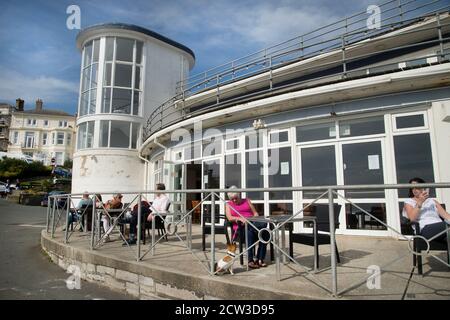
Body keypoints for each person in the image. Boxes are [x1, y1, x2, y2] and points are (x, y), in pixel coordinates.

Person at [225, 186, 269, 269]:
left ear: (239, 195)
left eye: (236, 198)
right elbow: (229, 218)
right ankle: (250, 260)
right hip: (240, 229)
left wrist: (252, 219)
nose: (234, 200)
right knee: (250, 232)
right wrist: (240, 219)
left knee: (265, 233)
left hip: (251, 223)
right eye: (232, 199)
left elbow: (255, 213)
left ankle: (260, 259)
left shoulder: (247, 201)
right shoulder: (228, 204)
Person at [403, 177, 450, 244]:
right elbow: (412, 218)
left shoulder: (432, 201)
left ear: (423, 187)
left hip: (441, 228)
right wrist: (420, 202)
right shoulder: (409, 202)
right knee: (447, 227)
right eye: (412, 188)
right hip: (424, 229)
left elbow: (447, 216)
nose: (414, 190)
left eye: (417, 187)